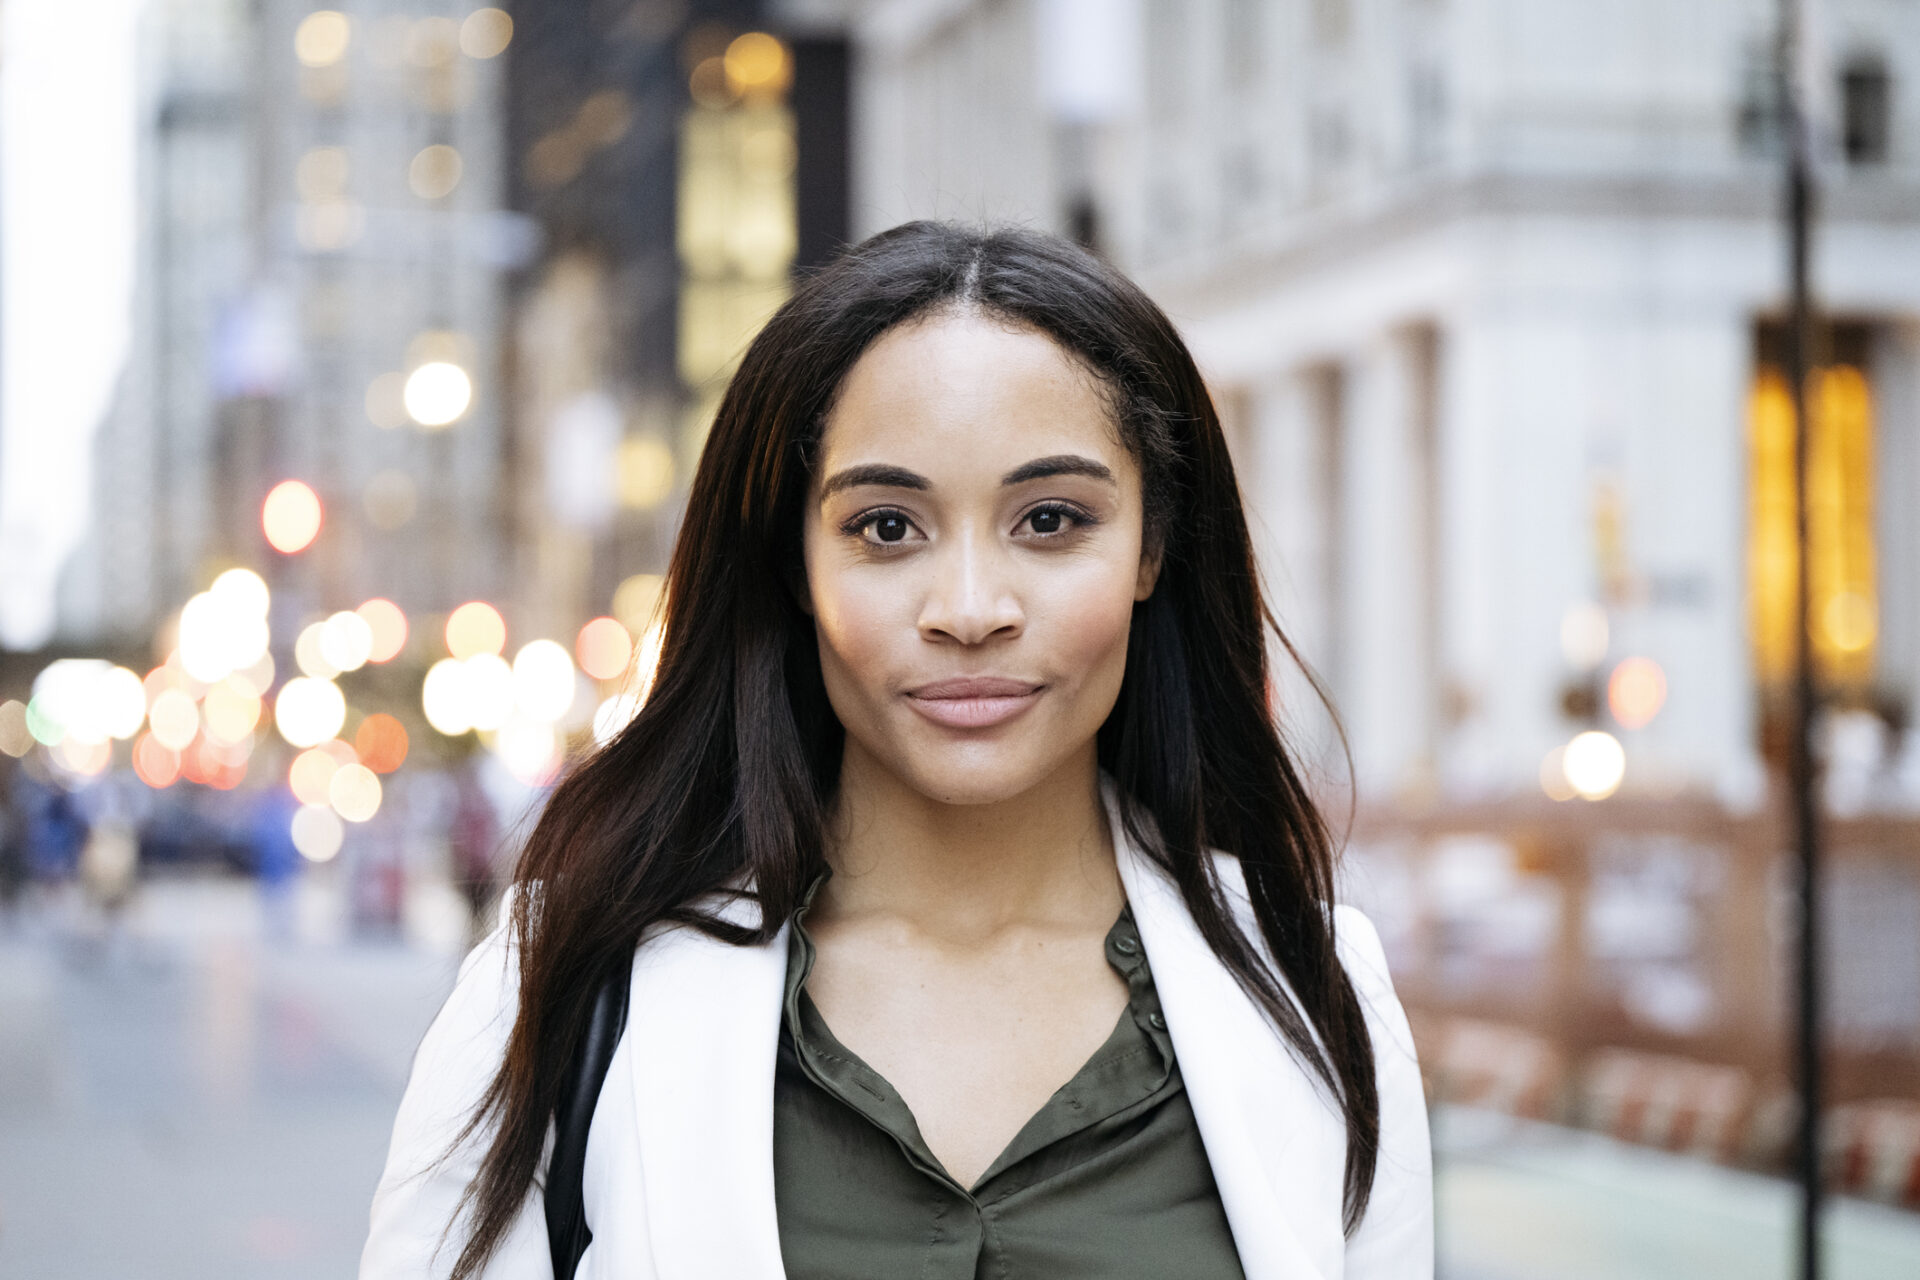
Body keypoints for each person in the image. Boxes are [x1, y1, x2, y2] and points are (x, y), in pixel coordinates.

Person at [361, 222, 1432, 1279]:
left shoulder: (1316, 995)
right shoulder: (567, 982)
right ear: (795, 565)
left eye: (1052, 518)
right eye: (885, 527)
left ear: (1152, 545)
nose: (970, 609)